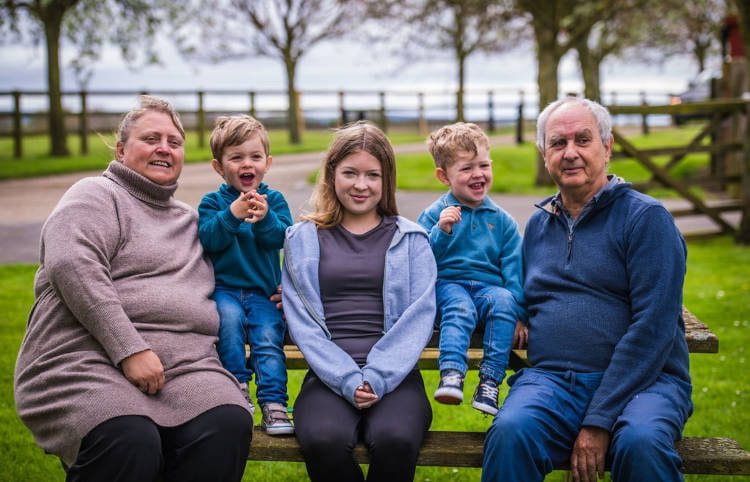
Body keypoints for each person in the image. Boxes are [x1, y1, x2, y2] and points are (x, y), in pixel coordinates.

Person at [14, 95, 253, 482]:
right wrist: (130, 349)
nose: (164, 148)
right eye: (151, 139)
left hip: (186, 368)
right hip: (86, 360)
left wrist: (274, 295)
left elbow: (235, 275)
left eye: (174, 142)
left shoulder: (191, 221)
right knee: (129, 437)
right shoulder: (95, 195)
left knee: (226, 422)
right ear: (122, 150)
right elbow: (71, 265)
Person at [482, 96, 693, 482]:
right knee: (511, 433)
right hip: (552, 380)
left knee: (642, 442)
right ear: (544, 154)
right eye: (558, 143)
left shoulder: (646, 219)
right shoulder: (538, 225)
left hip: (645, 382)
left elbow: (654, 327)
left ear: (607, 147)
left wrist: (599, 418)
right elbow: (524, 293)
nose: (570, 153)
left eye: (583, 139)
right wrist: (513, 311)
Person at [281, 121, 437, 482]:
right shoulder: (302, 239)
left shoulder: (412, 240)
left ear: (386, 180)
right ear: (332, 174)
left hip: (396, 377)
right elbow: (302, 322)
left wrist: (378, 377)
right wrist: (347, 379)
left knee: (395, 438)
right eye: (350, 173)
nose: (361, 185)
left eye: (372, 175)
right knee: (323, 439)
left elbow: (419, 317)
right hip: (327, 375)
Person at [417, 122, 526, 416]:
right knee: (460, 305)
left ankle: (490, 381)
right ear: (444, 176)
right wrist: (441, 230)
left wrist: (520, 314)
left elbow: (514, 270)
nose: (478, 174)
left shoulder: (502, 220)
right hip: (447, 285)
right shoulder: (434, 214)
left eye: (484, 165)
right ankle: (452, 373)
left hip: (488, 290)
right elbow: (417, 260)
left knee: (504, 300)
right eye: (466, 168)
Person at [198, 114, 294, 435]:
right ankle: (237, 390)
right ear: (218, 166)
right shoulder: (212, 202)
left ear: (267, 163)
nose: (246, 164)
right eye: (236, 157)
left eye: (254, 157)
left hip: (262, 292)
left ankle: (274, 402)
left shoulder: (275, 200)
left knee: (268, 338)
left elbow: (281, 239)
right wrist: (232, 215)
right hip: (224, 290)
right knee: (227, 327)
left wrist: (265, 218)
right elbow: (209, 239)